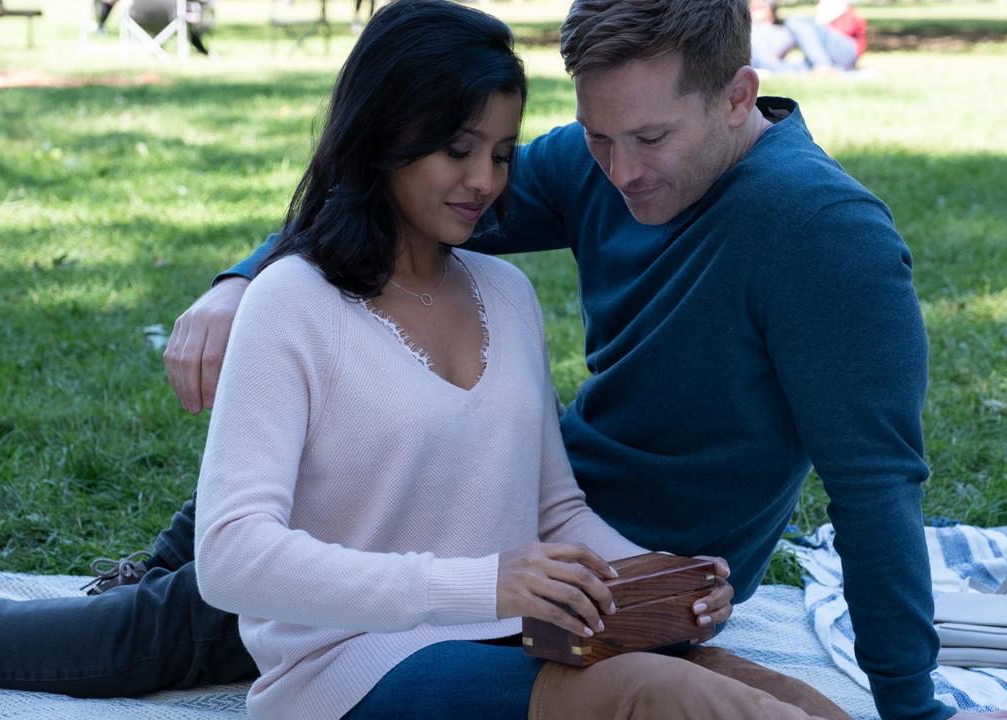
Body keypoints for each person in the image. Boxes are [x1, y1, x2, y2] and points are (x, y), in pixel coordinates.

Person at [0, 1, 1007, 719]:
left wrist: (907, 705)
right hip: (439, 536)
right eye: (593, 136)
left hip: (563, 561)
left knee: (758, 697)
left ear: (738, 95)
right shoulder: (595, 166)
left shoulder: (822, 238)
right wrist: (242, 278)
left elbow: (875, 490)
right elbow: (389, 205)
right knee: (154, 619)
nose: (618, 171)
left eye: (648, 138)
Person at [194, 4, 848, 717]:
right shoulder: (292, 301)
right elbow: (231, 556)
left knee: (752, 685)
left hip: (520, 638)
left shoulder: (506, 294)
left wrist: (661, 578)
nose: (484, 180)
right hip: (349, 666)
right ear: (383, 137)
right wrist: (485, 585)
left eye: (502, 154)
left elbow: (555, 512)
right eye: (458, 149)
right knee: (656, 692)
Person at [781, 0, 867, 72]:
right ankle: (823, 66)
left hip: (847, 51)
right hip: (833, 56)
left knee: (796, 20)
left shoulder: (846, 10)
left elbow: (850, 29)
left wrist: (825, 20)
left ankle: (822, 65)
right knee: (791, 67)